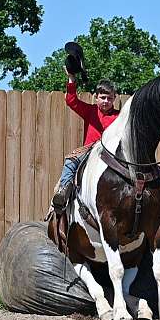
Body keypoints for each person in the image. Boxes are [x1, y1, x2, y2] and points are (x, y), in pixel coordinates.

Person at [51, 69, 119, 214]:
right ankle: (63, 192)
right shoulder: (91, 111)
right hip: (90, 150)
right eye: (103, 97)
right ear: (96, 98)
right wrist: (71, 78)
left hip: (112, 151)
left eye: (110, 98)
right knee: (71, 161)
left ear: (115, 99)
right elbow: (71, 101)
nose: (106, 101)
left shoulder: (119, 116)